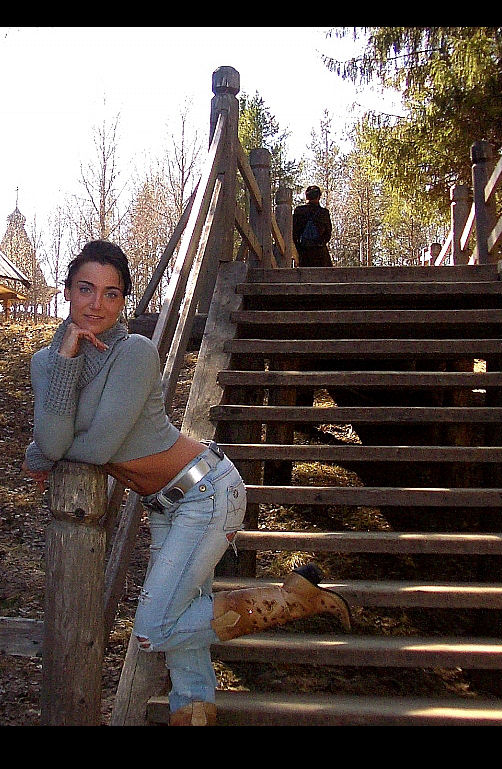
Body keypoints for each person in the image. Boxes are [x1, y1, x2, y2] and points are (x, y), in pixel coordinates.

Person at [22, 240, 351, 726]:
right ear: (66, 291)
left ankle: (291, 601)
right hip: (165, 505)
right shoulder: (46, 363)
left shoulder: (134, 353)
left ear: (123, 302)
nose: (97, 304)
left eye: (112, 294)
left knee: (155, 629)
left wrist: (43, 452)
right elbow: (53, 439)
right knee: (185, 658)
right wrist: (66, 363)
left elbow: (95, 449)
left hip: (207, 491)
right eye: (86, 289)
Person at [292, 185, 333, 267]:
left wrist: (298, 249)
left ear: (306, 196)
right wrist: (320, 243)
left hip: (303, 253)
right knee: (325, 274)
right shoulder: (323, 213)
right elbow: (328, 234)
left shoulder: (299, 211)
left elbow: (294, 234)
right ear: (319, 197)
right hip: (320, 255)